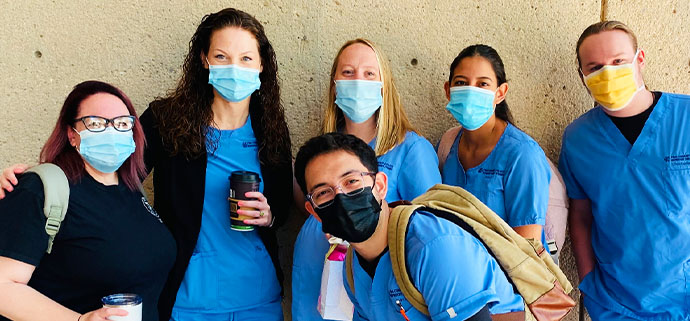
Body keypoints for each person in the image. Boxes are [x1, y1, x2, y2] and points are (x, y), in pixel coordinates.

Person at [0, 8, 294, 321]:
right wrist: (34, 184)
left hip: (257, 294)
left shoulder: (270, 127)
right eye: (221, 56)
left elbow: (282, 204)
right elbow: (106, 166)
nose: (234, 67)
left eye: (246, 58)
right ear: (204, 60)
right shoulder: (168, 121)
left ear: (262, 64)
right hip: (187, 296)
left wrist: (269, 214)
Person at [294, 133, 524, 320]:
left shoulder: (435, 247)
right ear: (314, 212)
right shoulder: (353, 270)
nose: (342, 197)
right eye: (323, 192)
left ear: (381, 186)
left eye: (351, 181)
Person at [291, 39, 441, 320]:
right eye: (348, 72)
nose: (358, 81)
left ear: (384, 85)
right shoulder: (321, 148)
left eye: (369, 73)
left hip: (372, 286)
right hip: (315, 278)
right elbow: (306, 207)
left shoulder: (410, 148)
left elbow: (428, 224)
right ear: (334, 84)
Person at [0, 81, 176, 321]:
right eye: (96, 123)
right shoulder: (42, 189)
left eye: (122, 124)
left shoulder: (133, 190)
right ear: (72, 134)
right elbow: (3, 287)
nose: (112, 131)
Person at [559, 21, 690, 320]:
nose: (608, 73)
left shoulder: (685, 118)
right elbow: (580, 216)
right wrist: (588, 282)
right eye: (594, 67)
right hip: (617, 304)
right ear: (582, 77)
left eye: (618, 61)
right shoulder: (578, 139)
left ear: (639, 59)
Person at [438, 44, 551, 242]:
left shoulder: (522, 155)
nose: (471, 91)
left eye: (482, 84)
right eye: (461, 82)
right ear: (448, 90)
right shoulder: (447, 145)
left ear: (500, 92)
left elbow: (527, 249)